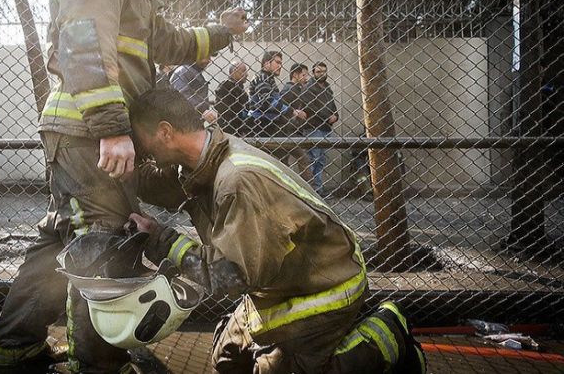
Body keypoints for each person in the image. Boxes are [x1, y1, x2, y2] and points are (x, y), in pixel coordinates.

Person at [0, 0, 248, 370]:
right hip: (89, 133)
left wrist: (223, 32)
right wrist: (111, 128)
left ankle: (14, 346)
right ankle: (98, 363)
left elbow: (171, 42)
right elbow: (81, 40)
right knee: (102, 245)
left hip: (85, 135)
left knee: (61, 240)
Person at [127, 89, 426, 374]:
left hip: (323, 288)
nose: (141, 151)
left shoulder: (238, 180)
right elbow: (163, 186)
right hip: (275, 284)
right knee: (226, 358)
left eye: (141, 142)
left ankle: (389, 331)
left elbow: (229, 277)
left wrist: (161, 240)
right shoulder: (201, 160)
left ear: (165, 132)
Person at [247, 50, 306, 137]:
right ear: (267, 63)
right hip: (260, 125)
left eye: (281, 63)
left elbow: (277, 101)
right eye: (277, 62)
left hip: (268, 125)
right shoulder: (262, 77)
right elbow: (267, 102)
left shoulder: (269, 78)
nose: (280, 66)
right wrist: (292, 111)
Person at [301, 61, 338, 194]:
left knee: (321, 160)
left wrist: (336, 116)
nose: (321, 74)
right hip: (313, 127)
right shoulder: (309, 87)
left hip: (326, 128)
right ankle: (309, 191)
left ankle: (317, 189)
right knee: (313, 159)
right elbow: (311, 108)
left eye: (323, 71)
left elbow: (333, 106)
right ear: (313, 73)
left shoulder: (327, 88)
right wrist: (328, 117)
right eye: (318, 72)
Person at [279, 63, 313, 184]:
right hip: (288, 132)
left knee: (284, 162)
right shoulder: (289, 89)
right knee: (303, 158)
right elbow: (281, 110)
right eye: (303, 75)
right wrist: (295, 114)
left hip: (290, 132)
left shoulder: (296, 89)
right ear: (295, 75)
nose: (306, 78)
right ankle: (308, 190)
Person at [170, 56, 218, 124]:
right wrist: (202, 110)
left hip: (193, 120)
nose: (209, 60)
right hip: (183, 121)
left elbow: (194, 95)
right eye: (206, 57)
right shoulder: (184, 71)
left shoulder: (192, 71)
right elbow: (182, 95)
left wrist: (209, 103)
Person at [214, 59, 248, 135]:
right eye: (243, 71)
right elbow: (222, 108)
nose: (246, 74)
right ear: (234, 71)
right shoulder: (226, 86)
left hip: (240, 129)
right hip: (229, 129)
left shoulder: (241, 90)